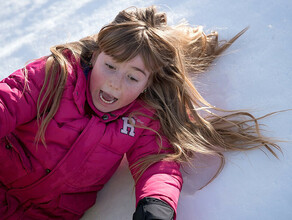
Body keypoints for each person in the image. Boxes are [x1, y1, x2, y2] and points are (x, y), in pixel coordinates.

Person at [0, 5, 281, 220]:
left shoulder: (144, 116)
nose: (114, 83)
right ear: (95, 55)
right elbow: (7, 102)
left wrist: (157, 204)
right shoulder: (55, 75)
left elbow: (158, 163)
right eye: (109, 67)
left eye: (133, 78)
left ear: (149, 82)